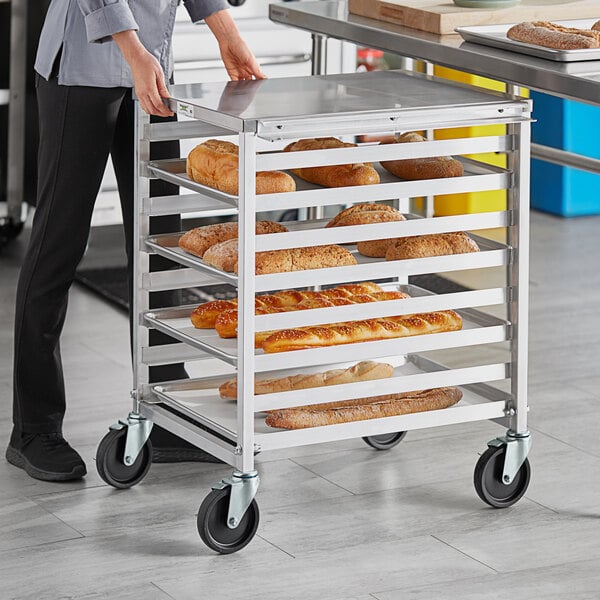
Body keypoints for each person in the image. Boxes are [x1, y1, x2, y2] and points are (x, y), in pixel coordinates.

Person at [6, 0, 266, 482]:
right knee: (58, 247)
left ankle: (164, 411)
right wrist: (133, 49)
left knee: (160, 245)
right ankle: (33, 428)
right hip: (82, 70)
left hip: (151, 70)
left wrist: (225, 31)